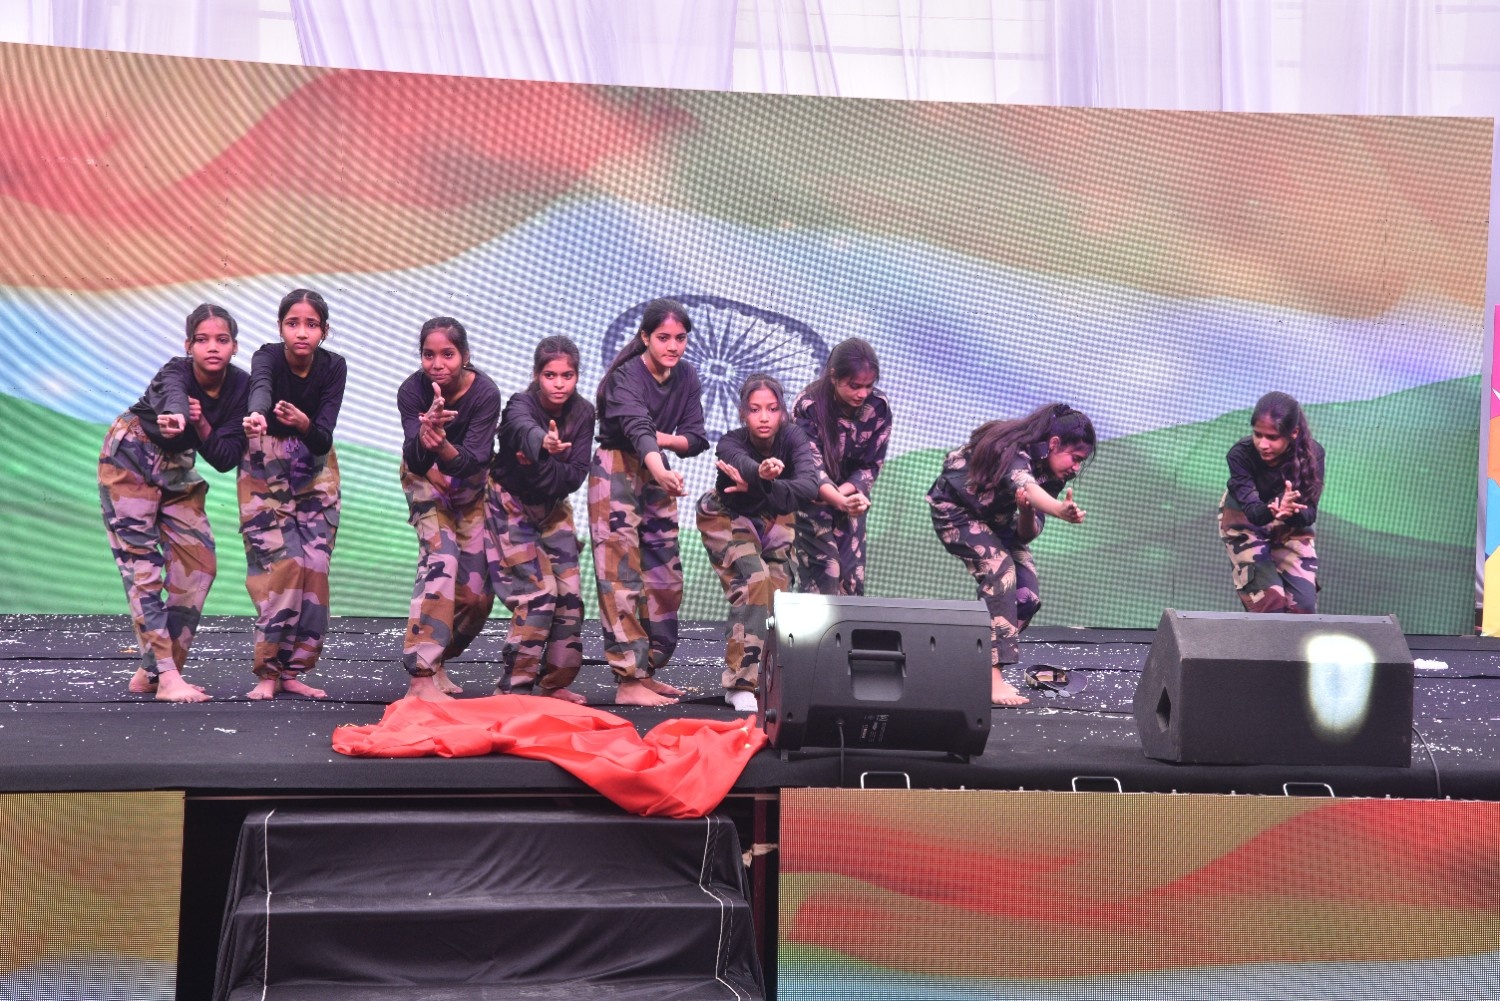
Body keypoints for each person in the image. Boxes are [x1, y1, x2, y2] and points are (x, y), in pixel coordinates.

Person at [99, 303, 249, 702]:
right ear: (188, 346)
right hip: (130, 456)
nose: (212, 347)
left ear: (235, 346)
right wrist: (177, 417)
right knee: (143, 568)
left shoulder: (241, 386)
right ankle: (167, 676)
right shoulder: (175, 371)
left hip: (178, 465)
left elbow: (225, 457)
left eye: (222, 340)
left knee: (200, 566)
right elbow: (175, 398)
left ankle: (153, 673)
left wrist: (199, 423)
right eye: (202, 340)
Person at [928, 403, 1094, 706]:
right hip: (956, 512)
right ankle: (992, 679)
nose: (1076, 468)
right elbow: (1026, 485)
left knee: (1027, 597)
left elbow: (1026, 533)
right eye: (1076, 458)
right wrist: (1059, 510)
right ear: (1054, 443)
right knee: (1000, 571)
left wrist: (1026, 512)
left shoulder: (1055, 474)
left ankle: (973, 658)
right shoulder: (1014, 448)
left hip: (999, 521)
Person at [590, 298, 708, 706]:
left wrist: (663, 444)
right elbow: (638, 429)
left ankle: (646, 670)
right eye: (663, 337)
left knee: (665, 579)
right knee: (620, 575)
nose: (673, 346)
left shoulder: (687, 375)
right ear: (645, 338)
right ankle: (627, 680)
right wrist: (659, 464)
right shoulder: (626, 376)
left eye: (680, 338)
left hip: (656, 470)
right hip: (617, 468)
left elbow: (695, 437)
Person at [239, 289, 346, 700]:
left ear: (324, 331)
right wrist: (256, 413)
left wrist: (303, 424)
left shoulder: (334, 366)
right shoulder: (267, 356)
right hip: (265, 462)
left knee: (315, 566)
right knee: (284, 566)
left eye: (311, 324)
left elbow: (322, 436)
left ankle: (294, 670)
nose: (302, 332)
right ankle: (268, 671)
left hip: (314, 464)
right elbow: (261, 387)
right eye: (293, 323)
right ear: (280, 327)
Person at [697, 374, 821, 711]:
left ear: (782, 411)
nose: (764, 417)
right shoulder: (729, 442)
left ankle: (767, 682)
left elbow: (808, 487)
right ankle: (739, 684)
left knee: (779, 595)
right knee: (755, 581)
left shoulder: (793, 438)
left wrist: (762, 485)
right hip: (727, 516)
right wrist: (761, 473)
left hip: (775, 517)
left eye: (772, 408)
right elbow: (742, 464)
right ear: (743, 413)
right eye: (755, 409)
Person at [485, 335, 594, 704]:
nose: (559, 384)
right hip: (510, 504)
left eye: (567, 375)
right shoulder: (521, 404)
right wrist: (544, 447)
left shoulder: (584, 413)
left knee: (570, 596)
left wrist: (539, 465)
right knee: (538, 595)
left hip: (554, 508)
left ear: (577, 376)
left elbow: (574, 477)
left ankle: (554, 683)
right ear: (536, 375)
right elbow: (522, 427)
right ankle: (513, 689)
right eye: (550, 375)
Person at [396, 317, 501, 700]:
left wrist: (440, 443)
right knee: (442, 560)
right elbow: (415, 456)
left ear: (465, 356)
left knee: (476, 595)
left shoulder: (485, 393)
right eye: (429, 355)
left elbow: (473, 460)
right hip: (425, 480)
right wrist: (427, 434)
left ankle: (439, 658)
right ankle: (421, 676)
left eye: (448, 354)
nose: (437, 364)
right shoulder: (411, 391)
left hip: (469, 485)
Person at [791, 338, 891, 595]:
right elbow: (809, 467)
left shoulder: (878, 407)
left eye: (869, 386)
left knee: (851, 580)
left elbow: (871, 465)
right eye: (855, 386)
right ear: (834, 377)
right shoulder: (808, 406)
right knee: (826, 575)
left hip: (850, 498)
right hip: (812, 500)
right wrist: (838, 500)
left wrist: (847, 499)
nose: (862, 394)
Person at [1219, 391, 1325, 613]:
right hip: (1244, 518)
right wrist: (1273, 510)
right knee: (1271, 602)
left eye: (1272, 437)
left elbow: (1309, 514)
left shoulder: (1313, 455)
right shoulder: (1240, 454)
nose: (1262, 444)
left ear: (1293, 433)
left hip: (1291, 519)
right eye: (1257, 435)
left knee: (1303, 607)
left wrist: (1290, 513)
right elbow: (1254, 512)